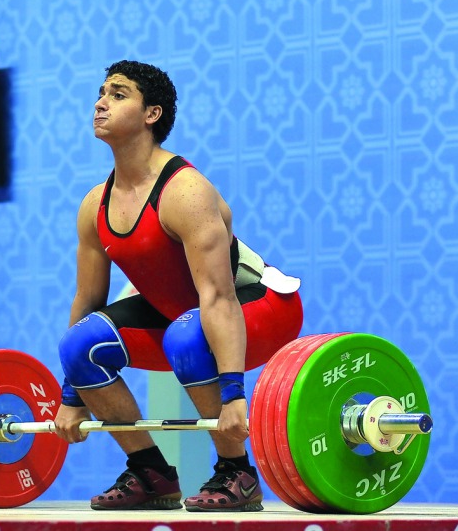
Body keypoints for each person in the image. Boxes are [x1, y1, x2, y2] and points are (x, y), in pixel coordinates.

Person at [54, 60, 304, 512]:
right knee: (80, 346)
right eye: (101, 92)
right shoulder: (95, 205)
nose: (100, 102)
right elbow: (87, 301)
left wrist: (233, 395)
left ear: (152, 113)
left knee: (188, 333)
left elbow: (219, 296)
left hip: (261, 307)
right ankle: (151, 474)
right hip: (181, 317)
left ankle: (237, 473)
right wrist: (71, 396)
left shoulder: (185, 191)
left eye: (118, 93)